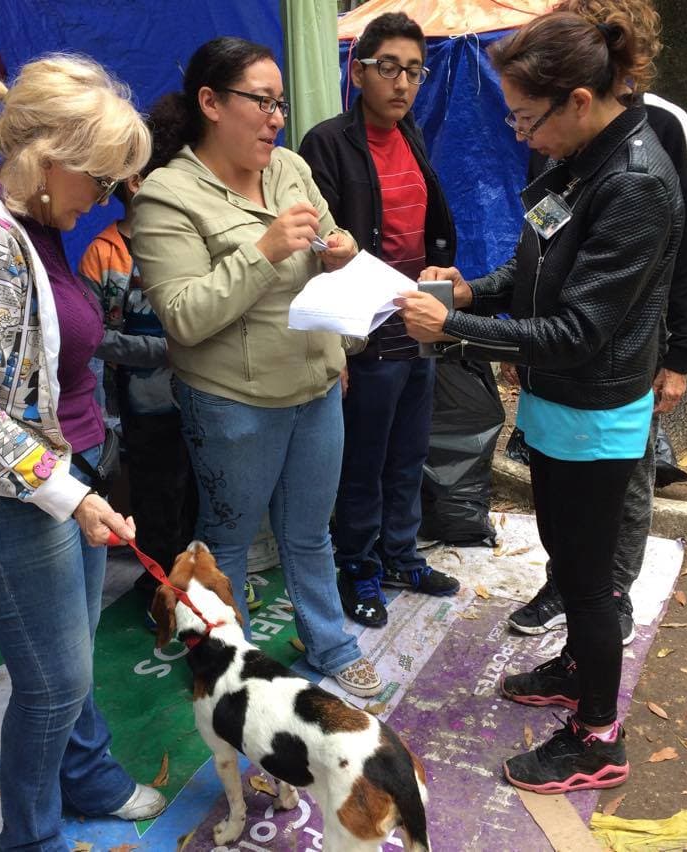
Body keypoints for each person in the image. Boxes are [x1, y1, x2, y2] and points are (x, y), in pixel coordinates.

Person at [397, 11, 684, 792]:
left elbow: (578, 329)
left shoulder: (634, 184)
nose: (522, 135)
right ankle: (573, 672)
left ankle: (598, 737)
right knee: (565, 552)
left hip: (595, 411)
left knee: (592, 582)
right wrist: (470, 290)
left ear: (581, 100)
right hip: (559, 405)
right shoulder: (579, 165)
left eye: (528, 117)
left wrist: (452, 327)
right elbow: (533, 269)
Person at [0, 55, 165, 848]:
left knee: (69, 662)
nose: (104, 201)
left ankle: (87, 780)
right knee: (53, 683)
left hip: (57, 472)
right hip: (7, 496)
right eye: (102, 182)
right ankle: (33, 839)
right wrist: (71, 495)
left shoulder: (34, 220)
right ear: (51, 163)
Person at [132, 37, 383, 698]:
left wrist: (342, 250)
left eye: (281, 104)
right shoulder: (167, 196)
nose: (277, 118)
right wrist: (264, 251)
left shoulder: (290, 169)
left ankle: (329, 640)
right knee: (228, 540)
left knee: (309, 533)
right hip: (232, 402)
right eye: (262, 103)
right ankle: (226, 666)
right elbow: (182, 317)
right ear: (210, 103)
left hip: (315, 386)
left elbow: (332, 241)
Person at [506, 0, 687, 646]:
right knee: (566, 517)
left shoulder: (650, 150)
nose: (523, 134)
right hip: (558, 377)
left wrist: (680, 353)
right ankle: (572, 591)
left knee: (616, 505)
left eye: (527, 119)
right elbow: (541, 250)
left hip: (612, 373)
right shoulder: (558, 140)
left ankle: (605, 608)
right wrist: (507, 317)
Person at [299, 12, 461, 629]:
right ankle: (358, 565)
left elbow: (427, 227)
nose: (401, 84)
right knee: (363, 458)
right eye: (388, 68)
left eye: (414, 72)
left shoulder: (412, 134)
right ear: (358, 70)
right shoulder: (328, 143)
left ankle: (401, 554)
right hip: (367, 329)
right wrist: (340, 343)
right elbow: (322, 247)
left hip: (419, 320)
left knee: (409, 450)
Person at [78, 176, 199, 623]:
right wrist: (163, 349)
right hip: (144, 399)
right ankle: (158, 590)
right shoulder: (103, 253)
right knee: (157, 496)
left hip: (202, 391)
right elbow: (93, 335)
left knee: (197, 493)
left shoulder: (187, 239)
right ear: (134, 182)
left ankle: (195, 583)